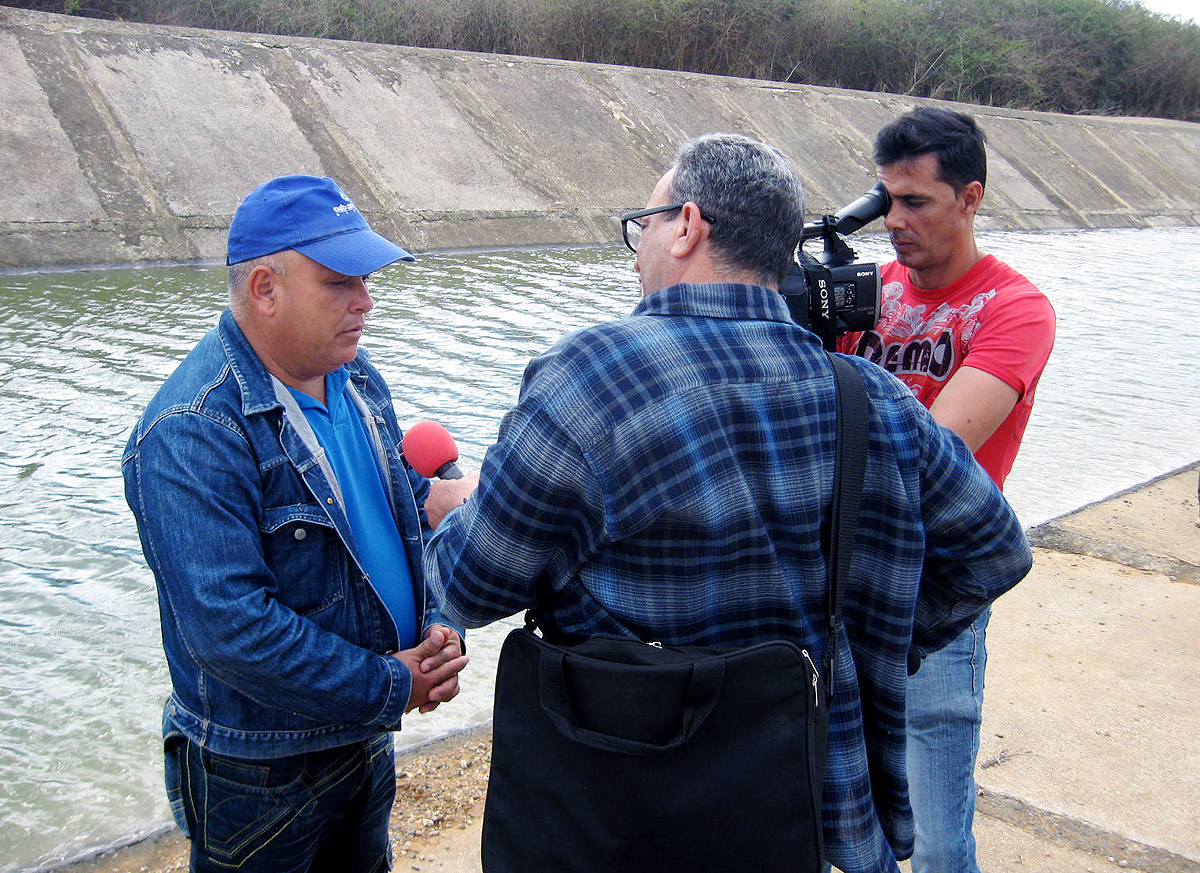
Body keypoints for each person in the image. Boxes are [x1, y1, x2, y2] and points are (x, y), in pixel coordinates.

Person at [424, 133, 1034, 872]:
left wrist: (458, 507)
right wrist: (866, 644)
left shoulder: (591, 376)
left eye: (641, 224)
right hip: (798, 808)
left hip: (621, 811)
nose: (638, 246)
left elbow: (469, 585)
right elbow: (994, 550)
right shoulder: (868, 394)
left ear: (686, 225)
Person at [122, 175, 473, 873]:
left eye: (366, 280)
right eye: (341, 282)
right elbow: (231, 629)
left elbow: (400, 516)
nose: (365, 302)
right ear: (264, 288)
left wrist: (439, 623)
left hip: (362, 735)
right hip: (260, 772)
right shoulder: (190, 431)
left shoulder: (356, 376)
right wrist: (393, 684)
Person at [839, 107, 1056, 873]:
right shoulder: (858, 292)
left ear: (970, 198)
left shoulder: (1014, 309)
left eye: (917, 202)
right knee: (831, 811)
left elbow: (936, 450)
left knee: (934, 834)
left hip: (935, 589)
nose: (894, 221)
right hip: (839, 575)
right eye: (886, 199)